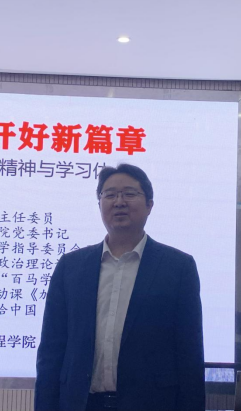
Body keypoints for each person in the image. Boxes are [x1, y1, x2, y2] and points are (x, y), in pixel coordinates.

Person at [35, 163, 205, 411]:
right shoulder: (71, 267)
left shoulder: (178, 267)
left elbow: (189, 353)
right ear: (100, 204)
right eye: (110, 195)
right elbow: (51, 349)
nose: (119, 202)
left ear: (149, 205)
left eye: (129, 194)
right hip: (81, 404)